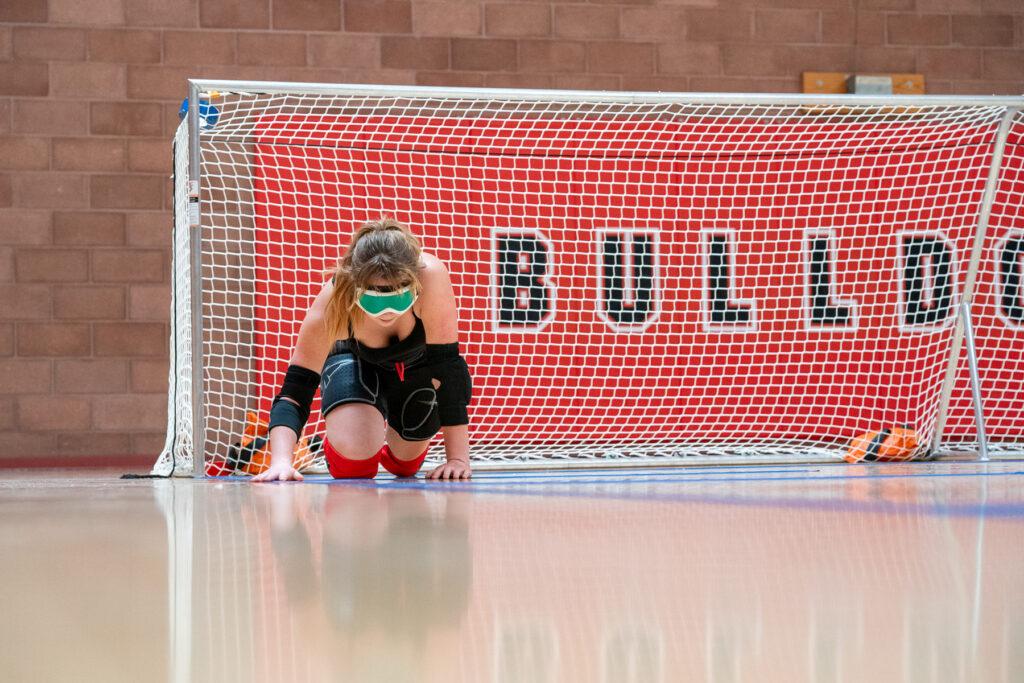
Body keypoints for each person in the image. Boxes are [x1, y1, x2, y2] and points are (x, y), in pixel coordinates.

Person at [253, 218, 473, 482]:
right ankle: (343, 439)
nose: (388, 312)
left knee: (405, 466)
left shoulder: (431, 275)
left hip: (416, 368)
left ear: (415, 281)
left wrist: (458, 459)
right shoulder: (333, 301)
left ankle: (395, 448)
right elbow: (295, 390)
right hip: (354, 361)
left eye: (398, 296)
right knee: (356, 469)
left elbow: (448, 370)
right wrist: (281, 461)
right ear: (354, 285)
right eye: (375, 299)